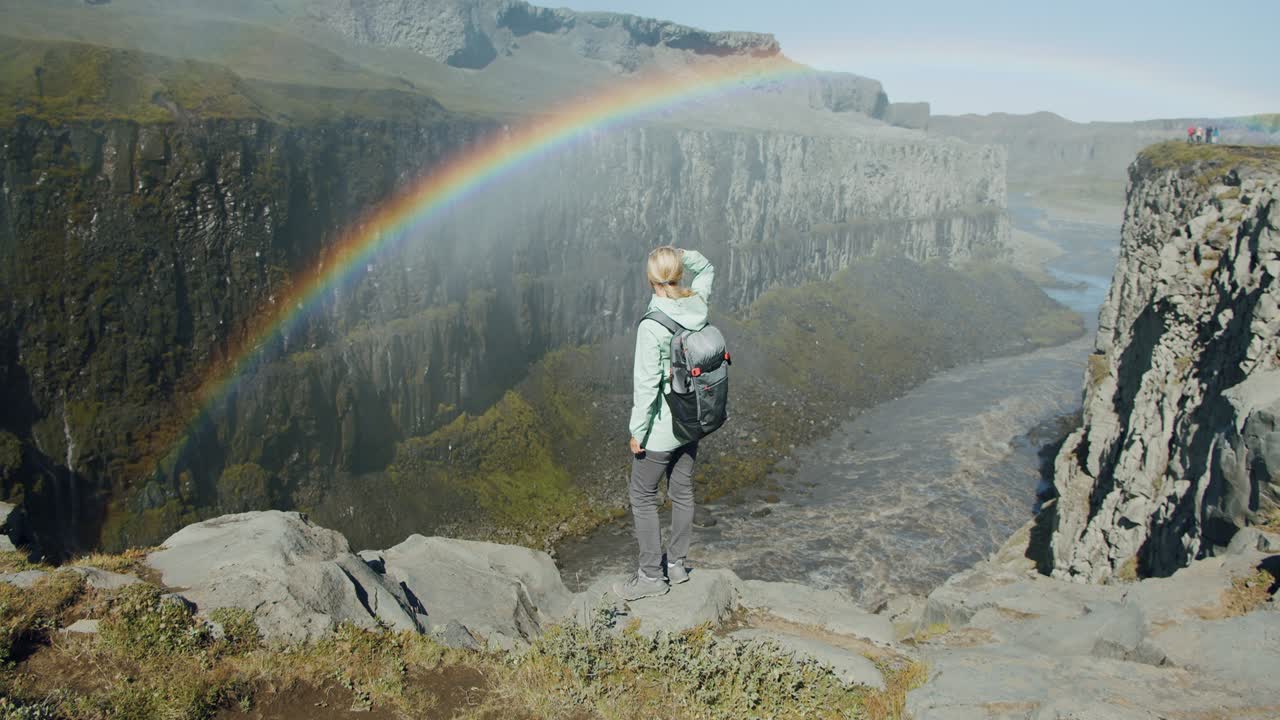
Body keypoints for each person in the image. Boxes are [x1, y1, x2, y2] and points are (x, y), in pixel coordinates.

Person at [615, 245, 714, 601]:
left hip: (661, 430)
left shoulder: (652, 325)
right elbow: (707, 270)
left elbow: (646, 386)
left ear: (650, 280)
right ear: (677, 275)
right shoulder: (697, 304)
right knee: (682, 490)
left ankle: (651, 576)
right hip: (693, 420)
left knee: (642, 496)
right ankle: (677, 565)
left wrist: (636, 432)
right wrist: (682, 256)